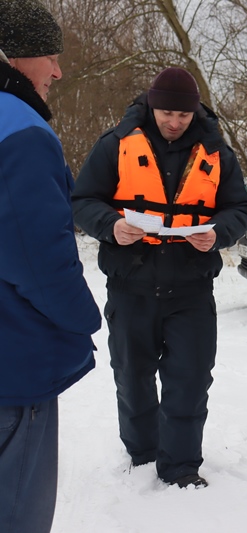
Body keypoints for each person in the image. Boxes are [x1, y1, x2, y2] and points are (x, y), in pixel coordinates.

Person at [72, 67, 247, 489]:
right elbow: (82, 199)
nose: (174, 122)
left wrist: (218, 233)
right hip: (130, 285)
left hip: (190, 288)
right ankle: (142, 452)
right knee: (132, 375)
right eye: (167, 113)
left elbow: (240, 209)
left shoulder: (216, 153)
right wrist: (110, 225)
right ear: (151, 106)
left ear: (195, 114)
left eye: (183, 116)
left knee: (190, 378)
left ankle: (181, 467)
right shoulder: (115, 145)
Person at [0, 1, 102, 531]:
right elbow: (39, 256)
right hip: (13, 364)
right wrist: (84, 317)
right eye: (48, 55)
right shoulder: (20, 129)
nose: (58, 70)